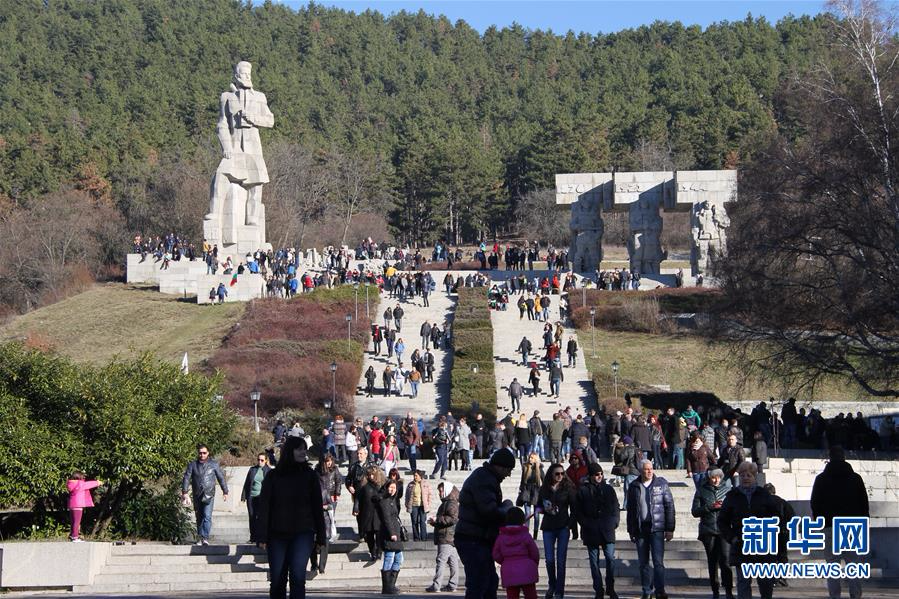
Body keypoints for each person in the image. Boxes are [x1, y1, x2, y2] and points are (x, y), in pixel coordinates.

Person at [256, 436, 326, 599]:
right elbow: (264, 507)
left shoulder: (310, 475)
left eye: (304, 449)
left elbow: (317, 507)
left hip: (303, 533)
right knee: (278, 579)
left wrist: (321, 536)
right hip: (277, 535)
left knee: (297, 576)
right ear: (290, 451)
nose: (303, 452)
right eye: (299, 449)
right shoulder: (273, 476)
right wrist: (262, 535)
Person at [455, 448, 516, 599]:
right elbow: (488, 510)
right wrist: (506, 509)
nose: (509, 475)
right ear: (500, 466)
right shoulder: (485, 479)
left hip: (477, 537)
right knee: (479, 582)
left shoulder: (486, 477)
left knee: (489, 581)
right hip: (473, 538)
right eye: (508, 470)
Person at [811, 446, 869, 599]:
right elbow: (864, 503)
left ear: (829, 458)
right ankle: (855, 595)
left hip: (830, 526)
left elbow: (815, 502)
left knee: (832, 565)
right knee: (853, 564)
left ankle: (835, 596)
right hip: (852, 527)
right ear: (844, 457)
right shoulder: (855, 478)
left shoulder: (821, 479)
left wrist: (820, 521)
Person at [718, 462, 780, 599]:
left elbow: (776, 516)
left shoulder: (763, 494)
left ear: (754, 477)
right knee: (743, 582)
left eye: (749, 475)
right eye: (742, 475)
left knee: (765, 583)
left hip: (762, 545)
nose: (745, 478)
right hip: (741, 545)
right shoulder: (732, 496)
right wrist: (732, 537)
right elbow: (722, 521)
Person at [626, 459, 675, 599]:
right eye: (646, 469)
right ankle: (646, 591)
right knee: (643, 563)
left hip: (657, 528)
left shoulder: (661, 484)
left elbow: (669, 506)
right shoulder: (634, 486)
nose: (649, 471)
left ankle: (660, 590)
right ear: (641, 470)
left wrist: (670, 528)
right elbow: (631, 510)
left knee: (658, 562)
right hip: (641, 529)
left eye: (651, 468)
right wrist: (631, 530)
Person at [574, 463, 620, 599]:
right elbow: (577, 511)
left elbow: (615, 506)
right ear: (591, 476)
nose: (599, 476)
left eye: (601, 474)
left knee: (610, 558)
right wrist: (585, 523)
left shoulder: (608, 489)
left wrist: (615, 521)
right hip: (591, 529)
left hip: (607, 528)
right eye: (596, 474)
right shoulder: (583, 491)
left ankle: (610, 588)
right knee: (594, 561)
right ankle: (598, 589)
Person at [691, 468, 734, 599]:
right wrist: (710, 507)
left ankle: (728, 590)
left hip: (724, 530)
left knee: (726, 561)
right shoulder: (701, 490)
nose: (716, 480)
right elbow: (695, 511)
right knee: (712, 561)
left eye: (718, 477)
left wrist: (724, 507)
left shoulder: (727, 491)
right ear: (709, 478)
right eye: (713, 477)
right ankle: (715, 590)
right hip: (708, 530)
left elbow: (733, 509)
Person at [539, 462, 577, 599]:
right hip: (548, 526)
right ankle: (552, 585)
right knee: (549, 560)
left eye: (562, 473)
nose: (560, 476)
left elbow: (574, 509)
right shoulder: (544, 488)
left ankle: (559, 591)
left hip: (563, 526)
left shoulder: (568, 488)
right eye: (557, 474)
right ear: (551, 474)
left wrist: (570, 525)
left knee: (561, 561)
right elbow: (538, 505)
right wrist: (545, 508)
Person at [181, 443, 229, 545]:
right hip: (197, 494)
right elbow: (186, 478)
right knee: (199, 516)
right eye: (200, 453)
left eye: (204, 453)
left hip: (209, 494)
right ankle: (199, 537)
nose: (202, 455)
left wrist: (225, 491)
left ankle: (205, 537)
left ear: (208, 453)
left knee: (207, 516)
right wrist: (184, 492)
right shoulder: (192, 465)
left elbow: (220, 477)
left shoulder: (214, 464)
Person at [492, 507, 540, 599]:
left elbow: (496, 554)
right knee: (531, 595)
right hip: (527, 568)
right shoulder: (526, 535)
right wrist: (533, 563)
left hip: (509, 569)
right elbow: (534, 552)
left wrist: (504, 561)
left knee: (512, 595)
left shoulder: (501, 537)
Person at [427, 482, 461, 593]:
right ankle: (452, 585)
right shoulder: (448, 502)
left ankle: (436, 585)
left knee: (441, 561)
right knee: (453, 561)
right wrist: (434, 522)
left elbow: (452, 518)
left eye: (441, 490)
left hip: (446, 536)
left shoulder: (451, 503)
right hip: (450, 536)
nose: (439, 493)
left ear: (447, 490)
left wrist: (437, 520)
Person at [378, 479, 406, 595]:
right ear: (386, 487)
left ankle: (391, 585)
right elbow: (386, 519)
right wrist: (392, 533)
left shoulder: (393, 500)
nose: (392, 490)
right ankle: (386, 587)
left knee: (399, 559)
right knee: (389, 558)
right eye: (390, 487)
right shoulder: (384, 501)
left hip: (396, 533)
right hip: (390, 534)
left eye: (394, 488)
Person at [241, 453, 272, 545]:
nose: (259, 462)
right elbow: (247, 483)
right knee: (252, 516)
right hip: (251, 496)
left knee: (260, 517)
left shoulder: (269, 471)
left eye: (262, 460)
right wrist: (243, 496)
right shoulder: (252, 469)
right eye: (258, 460)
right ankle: (253, 537)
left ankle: (261, 537)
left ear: (266, 460)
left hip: (262, 498)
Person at [355, 466, 385, 561]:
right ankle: (373, 552)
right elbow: (358, 498)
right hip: (367, 514)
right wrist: (356, 508)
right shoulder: (363, 487)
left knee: (379, 534)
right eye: (369, 475)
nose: (371, 476)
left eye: (373, 474)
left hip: (378, 514)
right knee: (369, 535)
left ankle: (379, 551)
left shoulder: (380, 486)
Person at [66, 472, 102, 542]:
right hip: (78, 505)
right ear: (78, 477)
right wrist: (98, 482)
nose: (83, 478)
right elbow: (88, 484)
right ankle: (75, 537)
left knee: (73, 522)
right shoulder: (80, 484)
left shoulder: (71, 483)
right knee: (77, 522)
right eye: (82, 477)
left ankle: (72, 535)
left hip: (71, 505)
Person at [518, 452, 544, 538]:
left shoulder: (539, 468)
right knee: (527, 513)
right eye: (530, 457)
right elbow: (522, 480)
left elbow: (544, 480)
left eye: (532, 458)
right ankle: (526, 533)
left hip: (536, 492)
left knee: (536, 515)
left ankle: (535, 535)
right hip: (526, 492)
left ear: (536, 459)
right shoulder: (525, 467)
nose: (530, 459)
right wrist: (521, 490)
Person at [404, 470, 432, 542]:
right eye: (414, 475)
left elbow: (429, 494)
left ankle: (424, 537)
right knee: (414, 521)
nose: (414, 477)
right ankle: (416, 538)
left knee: (423, 521)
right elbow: (407, 495)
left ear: (420, 476)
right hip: (413, 505)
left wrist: (428, 503)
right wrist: (407, 504)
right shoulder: (410, 484)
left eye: (416, 475)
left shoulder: (426, 483)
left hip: (423, 505)